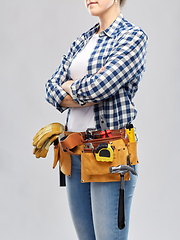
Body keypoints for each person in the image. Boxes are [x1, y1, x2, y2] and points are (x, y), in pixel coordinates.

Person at [45, 0, 148, 239]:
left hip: (108, 154)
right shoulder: (82, 41)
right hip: (73, 152)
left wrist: (69, 87)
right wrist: (81, 91)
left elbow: (101, 88)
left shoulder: (132, 37)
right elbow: (51, 88)